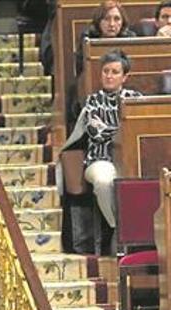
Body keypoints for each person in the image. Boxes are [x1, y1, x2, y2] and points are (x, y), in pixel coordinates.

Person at [62, 50, 141, 235]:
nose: (109, 76)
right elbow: (96, 133)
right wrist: (121, 130)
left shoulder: (135, 99)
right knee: (104, 181)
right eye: (106, 71)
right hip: (100, 159)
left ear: (125, 77)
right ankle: (120, 229)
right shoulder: (93, 101)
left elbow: (139, 130)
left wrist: (109, 129)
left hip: (131, 160)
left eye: (115, 72)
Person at [74, 0, 136, 77]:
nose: (112, 24)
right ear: (98, 21)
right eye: (106, 19)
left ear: (122, 22)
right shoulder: (88, 39)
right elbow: (80, 72)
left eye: (117, 19)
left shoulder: (130, 39)